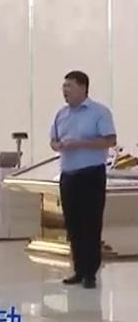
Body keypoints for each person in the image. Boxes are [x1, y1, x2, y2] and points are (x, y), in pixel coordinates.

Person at [50, 71, 116, 289]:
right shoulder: (61, 114)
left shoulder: (99, 112)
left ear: (83, 87)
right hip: (68, 175)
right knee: (73, 224)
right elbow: (53, 140)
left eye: (69, 86)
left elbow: (109, 140)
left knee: (90, 223)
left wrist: (80, 144)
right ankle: (78, 269)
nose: (65, 90)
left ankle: (90, 273)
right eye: (64, 86)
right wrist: (58, 145)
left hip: (91, 175)